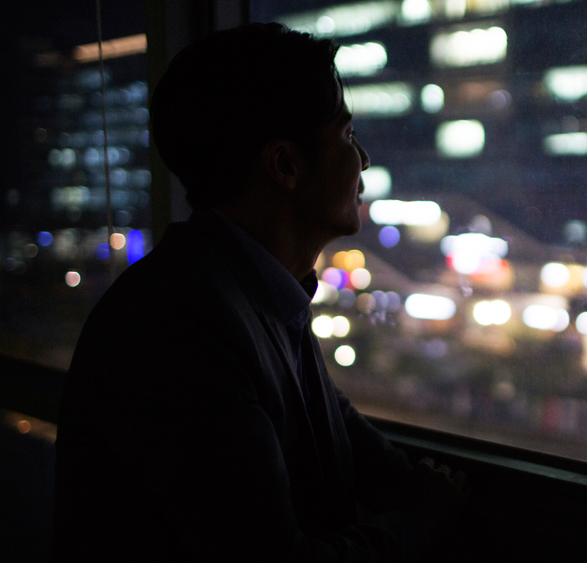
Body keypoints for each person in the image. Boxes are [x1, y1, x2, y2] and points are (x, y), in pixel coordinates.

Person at [52, 23, 467, 561]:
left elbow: (329, 420)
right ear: (285, 165)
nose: (362, 159)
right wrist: (416, 523)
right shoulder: (182, 325)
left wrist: (407, 481)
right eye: (346, 136)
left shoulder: (251, 291)